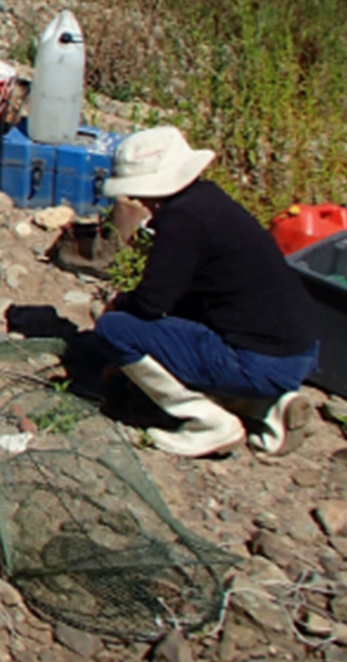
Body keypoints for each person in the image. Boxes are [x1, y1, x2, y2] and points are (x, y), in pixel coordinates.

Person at [92, 126, 321, 457]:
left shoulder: (181, 222)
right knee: (186, 332)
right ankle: (268, 407)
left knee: (115, 329)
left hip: (261, 362)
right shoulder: (209, 201)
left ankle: (208, 423)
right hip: (298, 350)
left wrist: (118, 308)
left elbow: (152, 303)